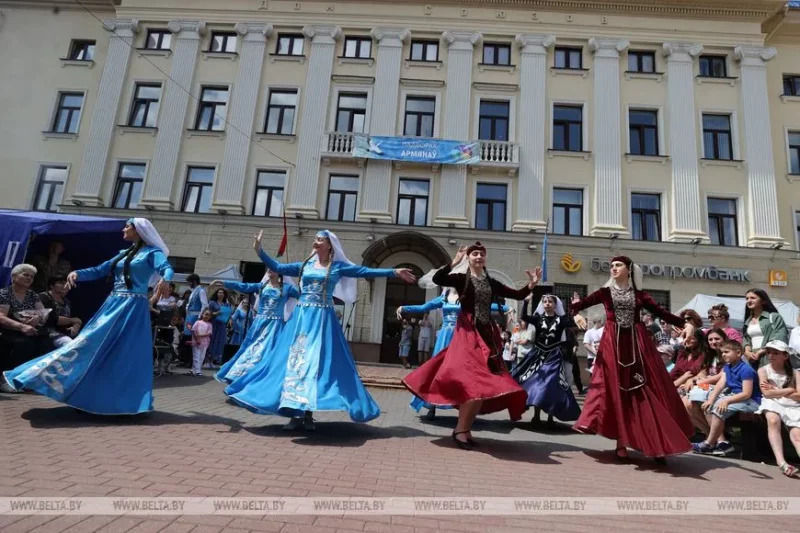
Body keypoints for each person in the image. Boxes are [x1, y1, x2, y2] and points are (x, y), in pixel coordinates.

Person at [229, 230, 415, 430]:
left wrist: (393, 272)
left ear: (329, 245)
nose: (315, 242)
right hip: (300, 320)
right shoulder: (304, 266)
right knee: (293, 363)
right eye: (316, 239)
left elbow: (364, 272)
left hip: (322, 322)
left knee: (314, 366)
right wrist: (260, 251)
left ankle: (307, 414)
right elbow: (277, 266)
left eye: (320, 239)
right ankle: (294, 413)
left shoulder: (337, 267)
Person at [3, 218, 173, 414]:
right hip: (113, 305)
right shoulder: (122, 254)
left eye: (128, 226)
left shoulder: (153, 253)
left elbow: (166, 268)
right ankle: (79, 393)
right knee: (89, 344)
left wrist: (166, 280)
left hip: (133, 307)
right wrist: (78, 273)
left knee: (124, 353)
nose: (124, 229)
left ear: (139, 230)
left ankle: (118, 401)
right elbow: (99, 270)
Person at [402, 243, 537, 450]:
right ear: (469, 258)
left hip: (487, 335)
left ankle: (463, 429)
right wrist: (454, 261)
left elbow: (517, 295)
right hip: (467, 333)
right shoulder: (461, 278)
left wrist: (531, 285)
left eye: (482, 254)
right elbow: (438, 279)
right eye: (474, 253)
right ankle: (460, 430)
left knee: (481, 386)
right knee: (474, 381)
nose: (479, 256)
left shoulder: (491, 282)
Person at [570, 255, 695, 463]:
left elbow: (661, 312)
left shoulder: (640, 295)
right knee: (617, 391)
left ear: (629, 269)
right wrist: (576, 311)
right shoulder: (604, 293)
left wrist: (686, 323)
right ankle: (621, 442)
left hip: (638, 345)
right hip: (613, 346)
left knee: (647, 389)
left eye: (618, 265)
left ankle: (658, 442)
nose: (613, 268)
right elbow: (579, 305)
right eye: (611, 266)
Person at [398, 279, 510, 421]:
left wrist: (506, 308)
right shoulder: (443, 299)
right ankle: (431, 405)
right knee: (438, 369)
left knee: (461, 370)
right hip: (444, 337)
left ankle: (462, 408)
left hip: (461, 336)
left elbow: (486, 306)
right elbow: (423, 307)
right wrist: (404, 308)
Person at [213, 269, 299, 385]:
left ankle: (263, 379)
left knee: (269, 352)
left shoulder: (287, 288)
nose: (270, 270)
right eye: (269, 268)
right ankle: (241, 375)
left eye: (273, 268)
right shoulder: (262, 286)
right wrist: (224, 283)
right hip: (259, 324)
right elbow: (244, 286)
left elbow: (304, 294)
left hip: (275, 326)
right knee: (251, 350)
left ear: (279, 272)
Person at [512, 294, 583, 427]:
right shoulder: (538, 318)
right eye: (545, 301)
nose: (547, 303)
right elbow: (524, 317)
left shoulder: (561, 320)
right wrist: (526, 302)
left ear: (555, 305)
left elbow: (573, 322)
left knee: (552, 385)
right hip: (538, 355)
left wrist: (575, 307)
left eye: (550, 301)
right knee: (536, 383)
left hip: (554, 356)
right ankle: (536, 415)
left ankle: (551, 416)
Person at [693, 340, 761, 456]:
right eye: (722, 352)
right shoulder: (727, 367)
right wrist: (710, 400)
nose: (723, 355)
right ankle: (722, 443)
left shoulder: (746, 370)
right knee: (710, 406)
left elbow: (747, 393)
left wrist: (727, 401)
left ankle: (708, 443)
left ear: (738, 353)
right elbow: (720, 385)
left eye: (727, 352)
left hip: (750, 401)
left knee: (718, 410)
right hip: (735, 397)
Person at [0, 264, 55, 376]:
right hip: (10, 330)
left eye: (31, 276)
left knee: (47, 342)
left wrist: (38, 317)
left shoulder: (32, 295)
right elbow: (1, 317)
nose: (29, 278)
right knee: (25, 344)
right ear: (14, 277)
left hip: (31, 330)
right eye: (25, 275)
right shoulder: (4, 293)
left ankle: (33, 379)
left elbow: (43, 313)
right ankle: (9, 378)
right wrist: (22, 326)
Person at [756, 340, 800, 478]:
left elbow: (799, 396)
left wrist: (777, 389)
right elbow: (767, 394)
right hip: (772, 402)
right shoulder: (763, 370)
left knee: (797, 435)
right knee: (773, 420)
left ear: (785, 356)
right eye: (769, 352)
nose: (770, 355)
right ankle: (782, 462)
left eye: (775, 353)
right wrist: (790, 389)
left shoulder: (795, 373)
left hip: (792, 405)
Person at [684, 328, 728, 442]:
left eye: (717, 339)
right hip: (709, 387)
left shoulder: (728, 354)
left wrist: (697, 382)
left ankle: (720, 440)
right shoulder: (710, 356)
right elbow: (702, 373)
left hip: (725, 389)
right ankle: (711, 438)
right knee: (686, 403)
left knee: (703, 401)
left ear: (724, 339)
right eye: (710, 339)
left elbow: (721, 377)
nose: (713, 342)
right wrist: (692, 379)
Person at [743, 288, 788, 368]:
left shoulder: (774, 317)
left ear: (763, 301)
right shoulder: (748, 321)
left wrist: (760, 352)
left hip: (769, 358)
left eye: (753, 298)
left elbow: (779, 337)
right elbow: (746, 339)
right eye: (747, 298)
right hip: (752, 359)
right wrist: (747, 351)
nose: (749, 300)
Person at [39, 275, 82, 348]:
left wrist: (76, 326)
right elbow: (53, 319)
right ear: (51, 285)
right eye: (60, 283)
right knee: (70, 345)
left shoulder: (67, 301)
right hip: (48, 333)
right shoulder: (42, 297)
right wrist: (74, 320)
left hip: (65, 331)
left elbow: (78, 318)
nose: (64, 285)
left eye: (66, 283)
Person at [207, 288, 232, 368]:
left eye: (222, 293)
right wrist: (216, 313)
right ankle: (207, 360)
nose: (220, 294)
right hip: (213, 324)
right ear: (216, 294)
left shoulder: (226, 304)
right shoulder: (212, 303)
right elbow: (207, 313)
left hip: (222, 325)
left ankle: (213, 360)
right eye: (219, 292)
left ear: (224, 295)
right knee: (211, 341)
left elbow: (228, 314)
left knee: (219, 342)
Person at [188, 309, 213, 377]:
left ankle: (193, 370)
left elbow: (209, 333)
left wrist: (200, 335)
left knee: (202, 357)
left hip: (205, 343)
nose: (207, 316)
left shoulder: (209, 324)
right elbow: (194, 331)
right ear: (202, 314)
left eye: (209, 315)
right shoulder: (197, 322)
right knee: (196, 356)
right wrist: (197, 338)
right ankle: (198, 371)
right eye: (206, 314)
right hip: (196, 342)